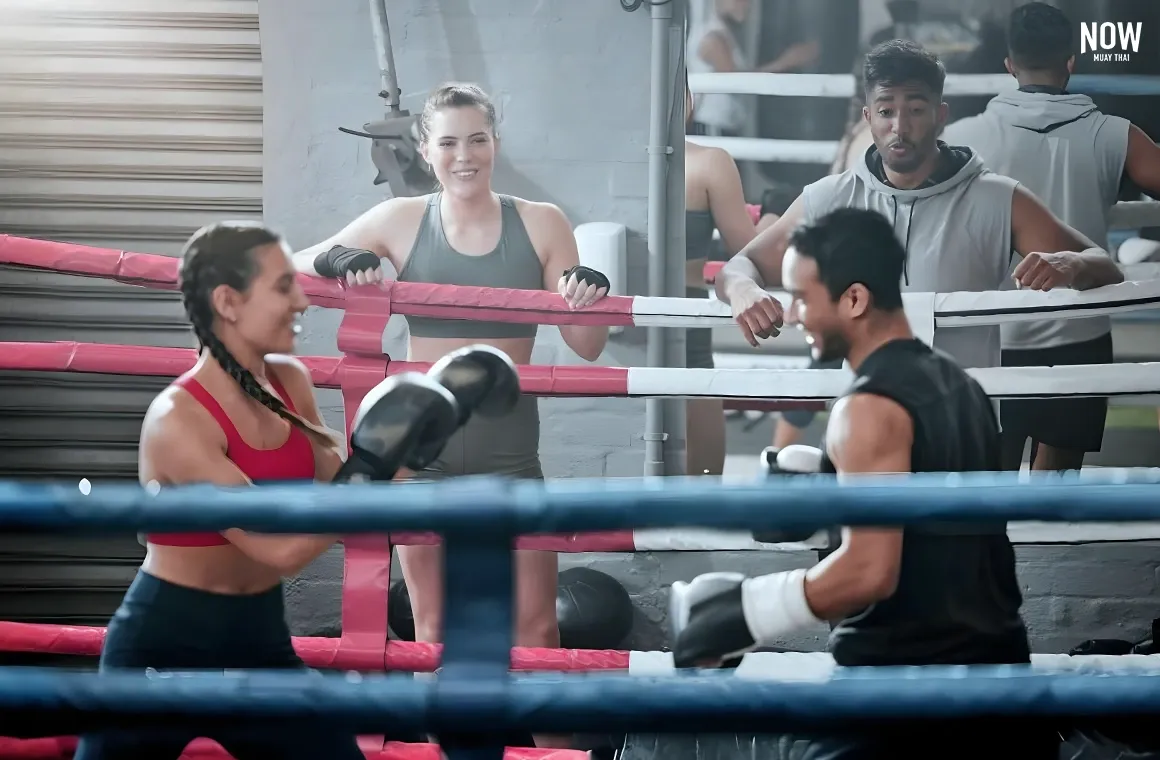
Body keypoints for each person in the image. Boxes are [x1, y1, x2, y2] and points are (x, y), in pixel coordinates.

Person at [670, 208, 1057, 759]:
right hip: (994, 677)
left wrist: (742, 612)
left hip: (902, 695)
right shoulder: (961, 386)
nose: (796, 314)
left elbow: (871, 570)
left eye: (804, 297)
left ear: (853, 299)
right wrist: (829, 481)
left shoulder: (868, 408)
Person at [290, 83, 609, 749]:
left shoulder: (543, 221)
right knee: (431, 630)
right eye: (449, 142)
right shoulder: (404, 220)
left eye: (477, 139)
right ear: (425, 150)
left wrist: (588, 293)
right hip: (418, 461)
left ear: (495, 142)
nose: (465, 155)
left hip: (512, 457)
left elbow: (588, 346)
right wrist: (337, 258)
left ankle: (542, 757)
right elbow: (291, 265)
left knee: (537, 633)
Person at [75, 222, 370, 759]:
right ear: (229, 301)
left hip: (257, 635)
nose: (302, 299)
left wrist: (390, 463)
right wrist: (369, 479)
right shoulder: (177, 419)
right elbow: (280, 548)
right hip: (167, 640)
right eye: (284, 286)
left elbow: (337, 479)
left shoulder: (290, 381)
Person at [714, 39, 1124, 375]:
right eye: (886, 111)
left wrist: (1072, 263)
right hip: (867, 420)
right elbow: (740, 266)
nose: (900, 127)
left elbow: (1103, 264)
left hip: (966, 419)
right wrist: (743, 289)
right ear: (867, 117)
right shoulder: (831, 197)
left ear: (940, 115)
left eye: (915, 109)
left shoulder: (998, 197)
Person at [941, 2, 1160, 473]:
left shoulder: (964, 138)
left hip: (991, 332)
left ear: (1009, 65)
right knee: (1055, 498)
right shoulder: (1113, 134)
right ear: (1071, 62)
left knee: (982, 494)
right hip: (1078, 329)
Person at [685, 74, 757, 475]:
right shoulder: (710, 163)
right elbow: (750, 250)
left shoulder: (709, 163)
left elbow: (749, 253)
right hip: (648, 315)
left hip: (669, 316)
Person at [687, 0, 818, 136]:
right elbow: (736, 82)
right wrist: (786, 61)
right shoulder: (711, 38)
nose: (747, 4)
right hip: (713, 127)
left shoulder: (722, 32)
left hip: (724, 125)